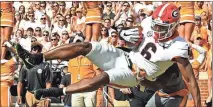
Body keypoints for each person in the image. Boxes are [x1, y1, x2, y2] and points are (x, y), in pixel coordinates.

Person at [15, 3, 201, 107]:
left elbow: (191, 81)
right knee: (85, 46)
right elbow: (133, 37)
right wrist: (123, 33)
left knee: (103, 77)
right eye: (155, 24)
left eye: (162, 27)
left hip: (135, 75)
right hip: (125, 56)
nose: (156, 29)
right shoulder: (148, 23)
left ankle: (57, 92)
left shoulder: (179, 47)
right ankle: (36, 59)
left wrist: (199, 105)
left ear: (173, 27)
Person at [17, 42, 53, 107]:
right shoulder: (25, 65)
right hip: (30, 94)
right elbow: (20, 82)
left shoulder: (46, 66)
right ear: (31, 51)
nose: (36, 51)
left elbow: (48, 83)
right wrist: (19, 95)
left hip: (42, 95)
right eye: (34, 49)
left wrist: (48, 97)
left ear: (41, 51)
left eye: (38, 49)